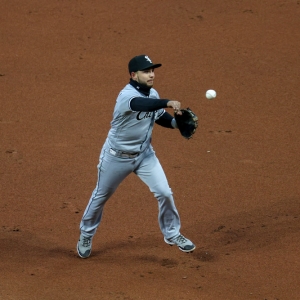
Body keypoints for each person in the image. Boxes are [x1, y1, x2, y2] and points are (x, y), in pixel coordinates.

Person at [77, 54, 196, 258]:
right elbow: (142, 105)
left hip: (145, 156)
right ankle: (86, 234)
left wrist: (176, 124)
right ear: (134, 75)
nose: (151, 75)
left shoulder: (152, 94)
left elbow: (158, 115)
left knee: (165, 193)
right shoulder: (126, 96)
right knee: (100, 196)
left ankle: (172, 234)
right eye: (146, 71)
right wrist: (166, 101)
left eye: (152, 71)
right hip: (116, 158)